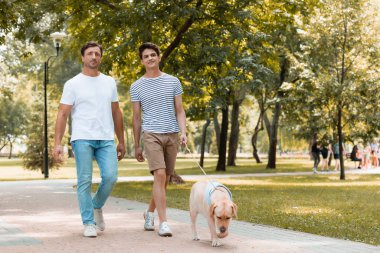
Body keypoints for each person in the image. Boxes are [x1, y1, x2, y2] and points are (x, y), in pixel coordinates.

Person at [53, 42, 125, 237]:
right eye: (90, 53)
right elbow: (62, 114)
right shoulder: (73, 83)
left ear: (100, 57)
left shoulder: (109, 82)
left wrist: (122, 140)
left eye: (97, 54)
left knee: (110, 177)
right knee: (84, 180)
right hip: (82, 138)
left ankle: (96, 205)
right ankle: (88, 222)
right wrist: (57, 143)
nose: (94, 57)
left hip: (106, 138)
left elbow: (116, 112)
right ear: (83, 58)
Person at [130, 42, 187, 237]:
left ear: (159, 57)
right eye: (146, 56)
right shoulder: (136, 86)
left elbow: (180, 110)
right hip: (151, 134)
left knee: (164, 180)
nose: (150, 58)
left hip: (171, 134)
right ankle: (164, 223)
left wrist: (183, 132)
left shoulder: (173, 81)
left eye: (153, 55)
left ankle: (150, 212)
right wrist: (137, 145)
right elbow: (136, 118)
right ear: (142, 61)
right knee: (160, 175)